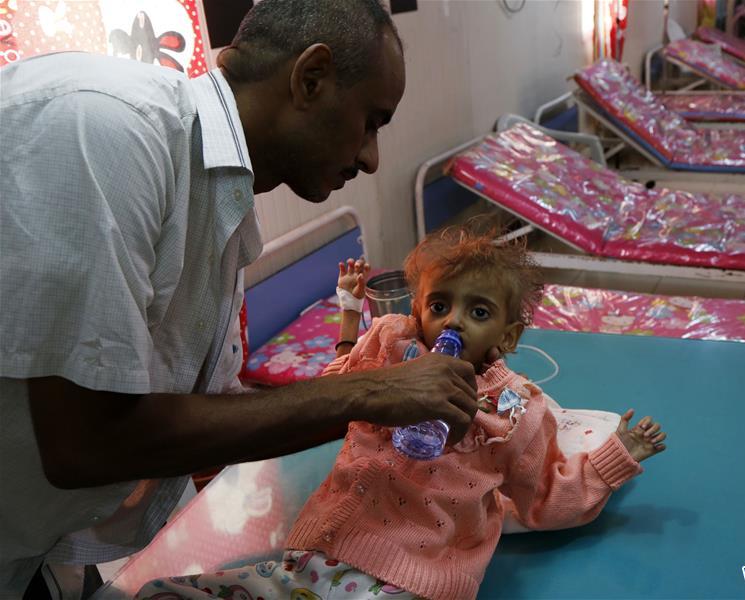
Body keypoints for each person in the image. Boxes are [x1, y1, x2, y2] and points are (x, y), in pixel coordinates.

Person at [0, 1, 480, 597]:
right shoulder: (105, 130)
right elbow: (86, 442)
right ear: (310, 78)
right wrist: (372, 392)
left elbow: (185, 406)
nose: (371, 157)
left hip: (37, 553)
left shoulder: (216, 191)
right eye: (371, 122)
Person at [136, 226, 667, 600]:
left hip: (416, 575)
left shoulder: (516, 407)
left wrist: (615, 456)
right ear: (417, 309)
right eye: (440, 305)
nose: (452, 320)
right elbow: (332, 396)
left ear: (507, 335)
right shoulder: (391, 345)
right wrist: (352, 316)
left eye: (478, 312)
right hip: (317, 552)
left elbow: (545, 496)